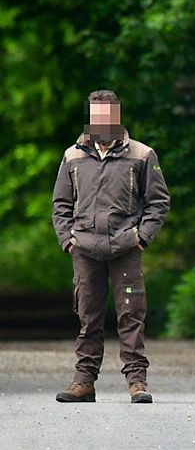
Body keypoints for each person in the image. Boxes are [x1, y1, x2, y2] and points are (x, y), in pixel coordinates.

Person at [51, 89, 170, 403]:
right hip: (85, 248)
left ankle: (137, 382)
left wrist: (141, 237)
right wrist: (69, 241)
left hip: (126, 248)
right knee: (88, 316)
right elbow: (60, 204)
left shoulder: (142, 155)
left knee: (132, 315)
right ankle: (84, 381)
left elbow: (158, 202)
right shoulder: (72, 156)